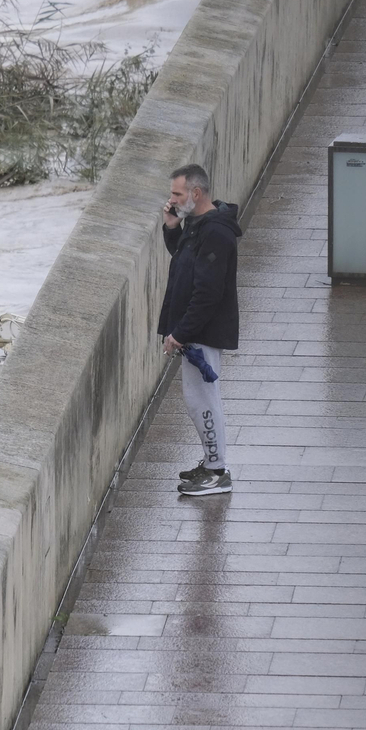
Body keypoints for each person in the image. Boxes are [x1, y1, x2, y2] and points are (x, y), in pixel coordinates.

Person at [158, 163, 241, 497]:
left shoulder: (215, 233)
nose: (172, 198)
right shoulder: (197, 224)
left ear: (196, 193)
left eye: (177, 193)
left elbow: (208, 294)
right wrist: (171, 228)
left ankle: (218, 472)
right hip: (196, 332)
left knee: (201, 401)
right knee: (202, 399)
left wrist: (180, 333)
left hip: (201, 335)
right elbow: (184, 263)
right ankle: (211, 463)